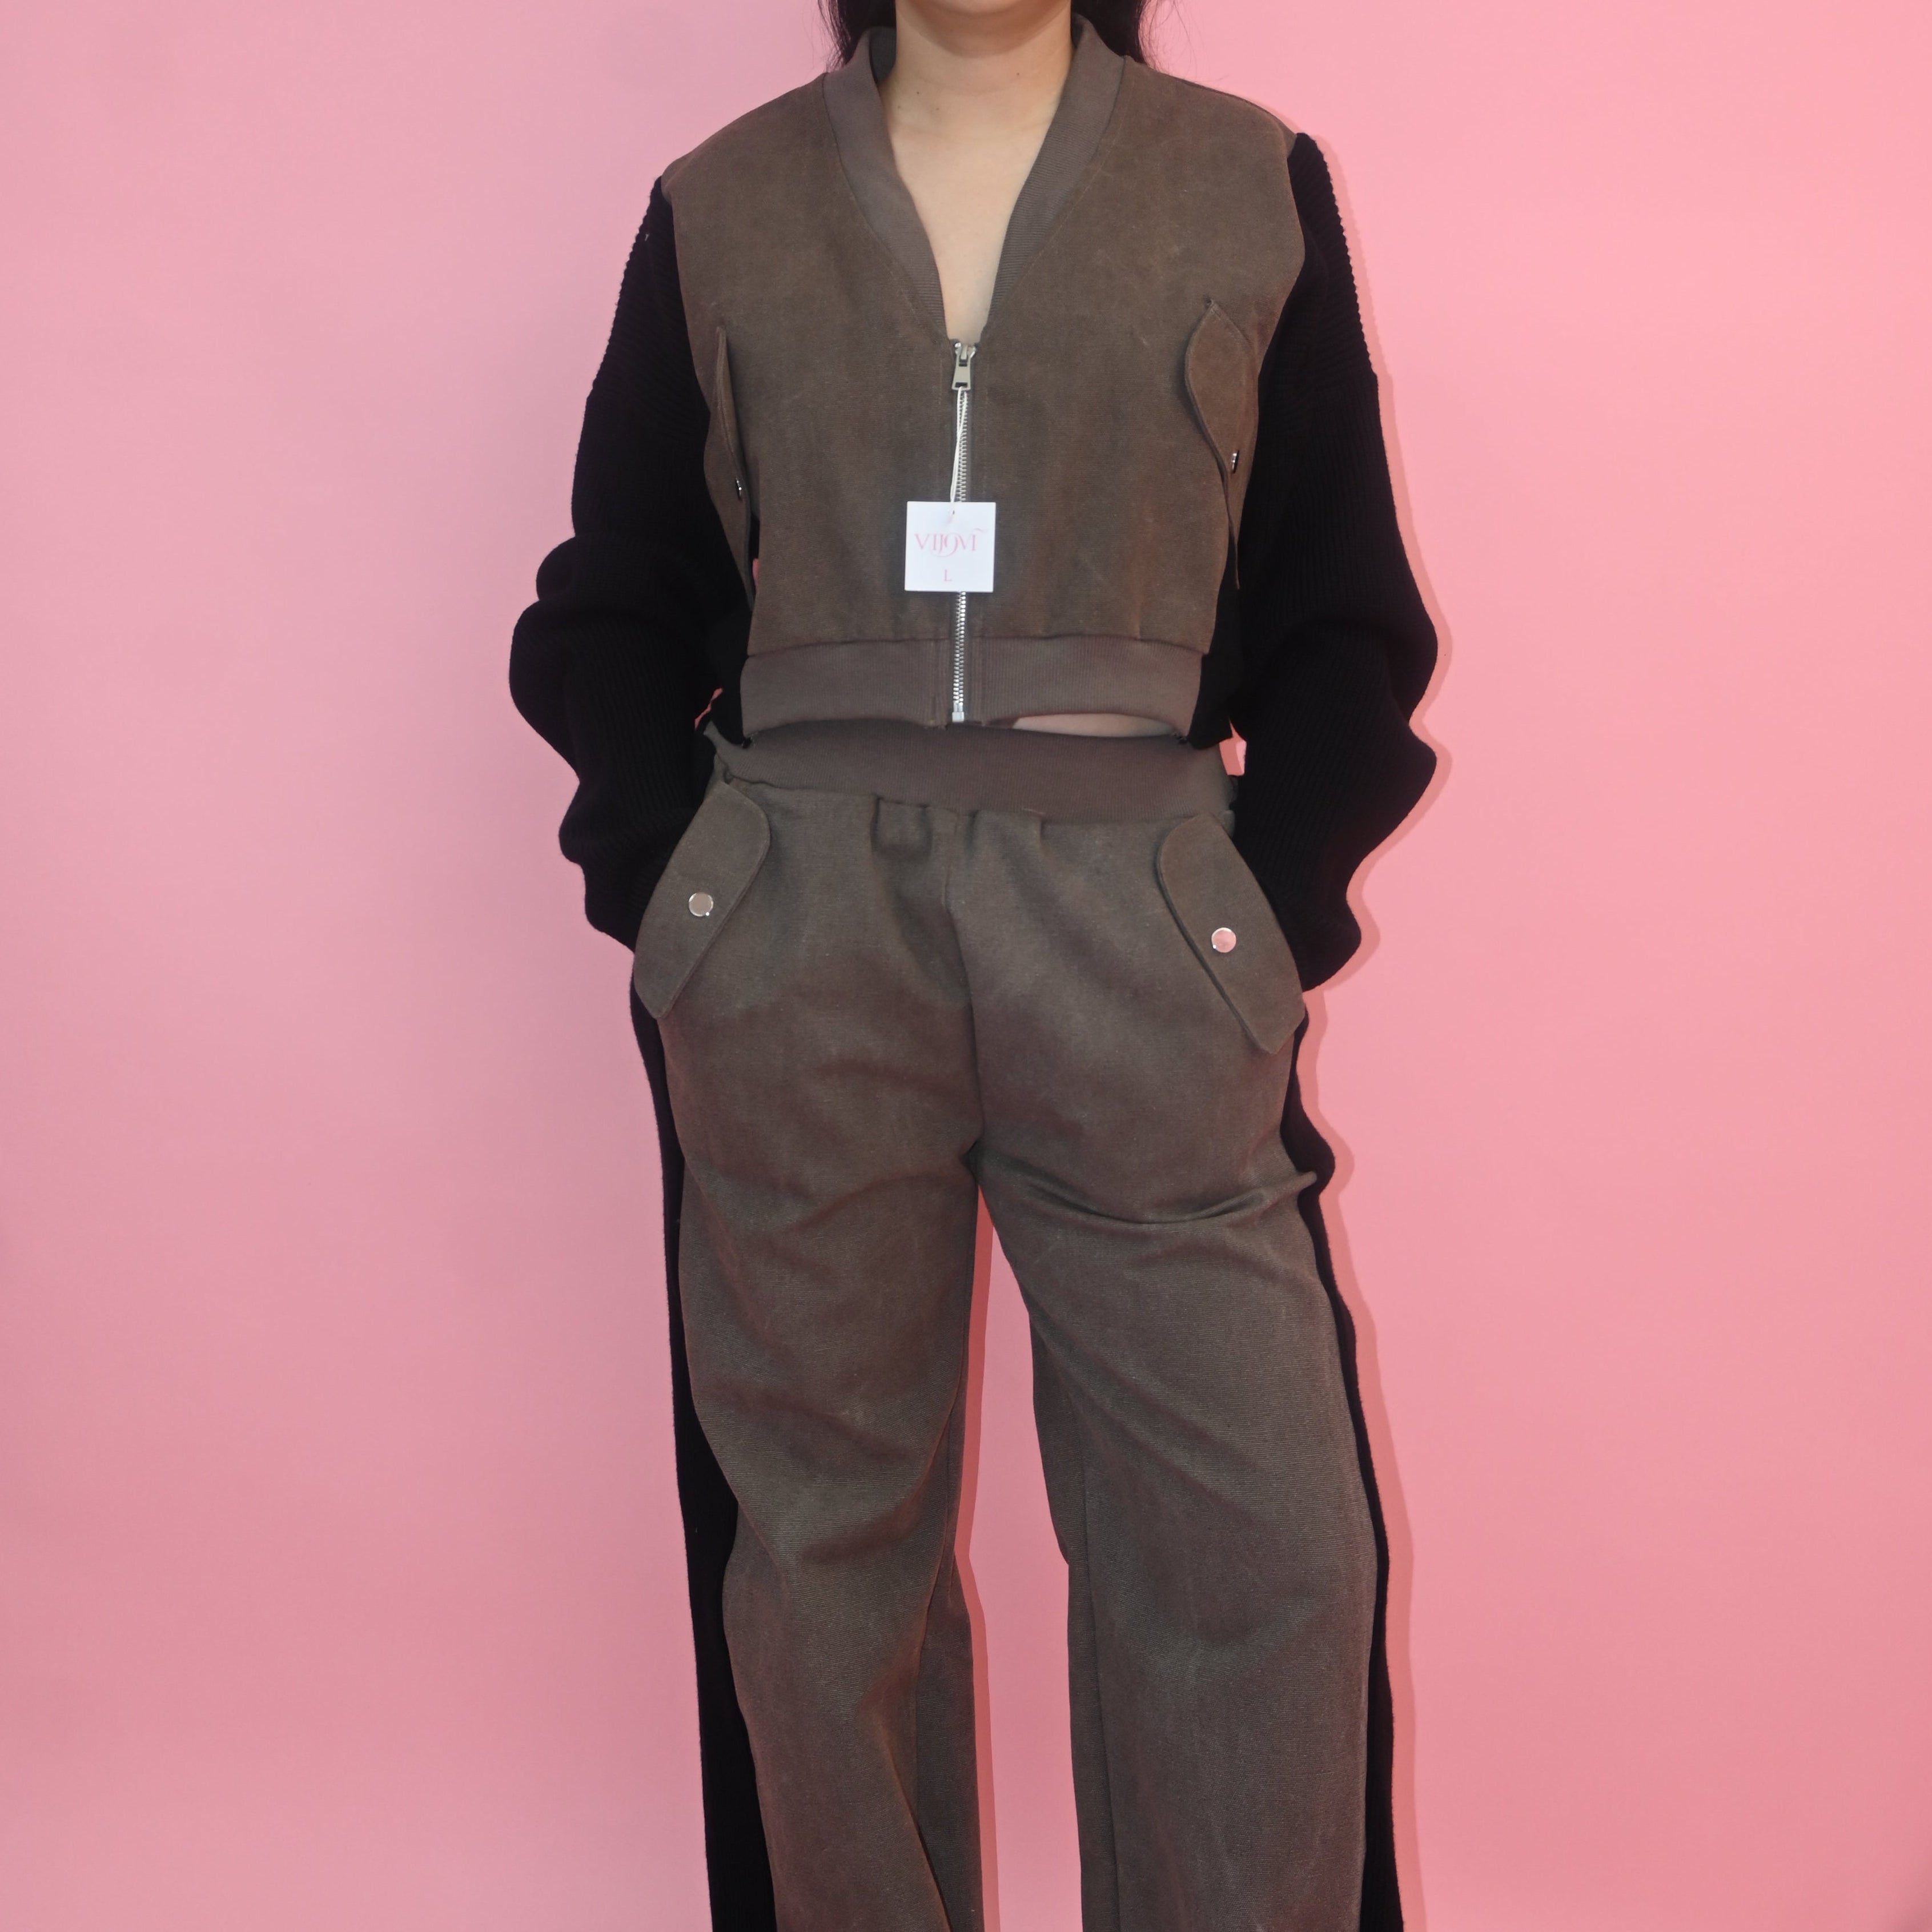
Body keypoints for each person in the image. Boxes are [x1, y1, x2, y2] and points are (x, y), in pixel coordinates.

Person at [509, 1, 1436, 1926]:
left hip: (1137, 928)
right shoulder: (724, 204)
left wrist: (1261, 917)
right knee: (820, 1560)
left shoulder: (1243, 184)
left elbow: (1345, 621)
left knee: (1269, 1546)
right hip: (804, 939)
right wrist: (685, 894)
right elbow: (610, 602)